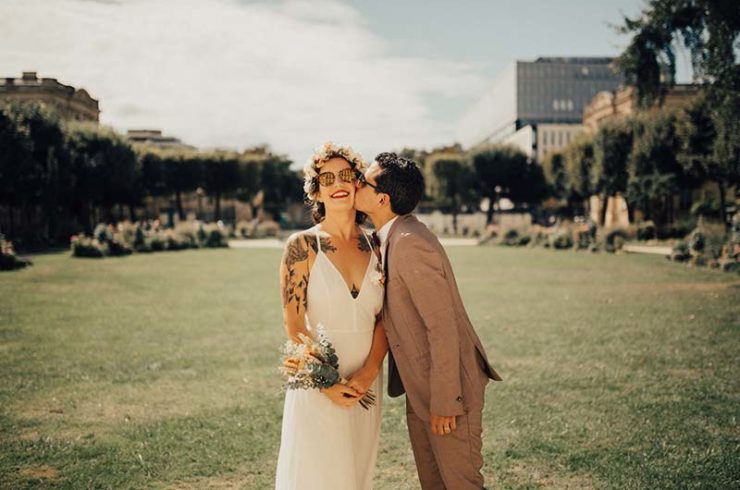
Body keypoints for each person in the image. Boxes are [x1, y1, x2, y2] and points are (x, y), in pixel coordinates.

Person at [354, 152, 503, 490]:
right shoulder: (391, 237)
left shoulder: (410, 244)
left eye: (363, 181)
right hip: (421, 387)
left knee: (461, 484)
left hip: (450, 392)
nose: (356, 185)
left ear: (382, 199)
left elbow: (443, 328)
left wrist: (446, 401)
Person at [274, 143, 387, 490]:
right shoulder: (301, 247)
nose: (337, 183)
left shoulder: (378, 246)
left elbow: (386, 318)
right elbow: (295, 327)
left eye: (345, 175)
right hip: (317, 386)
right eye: (327, 178)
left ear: (357, 183)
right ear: (316, 191)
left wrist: (369, 371)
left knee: (355, 476)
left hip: (365, 387)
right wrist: (327, 383)